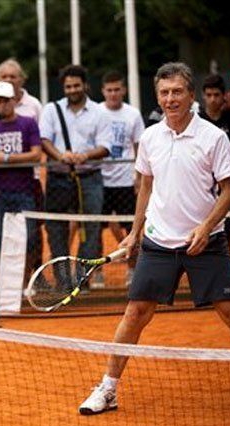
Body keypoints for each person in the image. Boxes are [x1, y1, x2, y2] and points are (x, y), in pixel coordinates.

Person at [79, 62, 230, 416]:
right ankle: (108, 388)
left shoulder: (213, 137)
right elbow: (146, 185)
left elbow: (229, 191)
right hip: (159, 242)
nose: (170, 99)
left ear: (191, 95)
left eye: (177, 92)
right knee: (135, 313)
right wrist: (135, 232)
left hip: (206, 242)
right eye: (164, 93)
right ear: (157, 96)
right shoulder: (151, 137)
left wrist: (205, 227)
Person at [39, 65, 111, 286]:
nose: (72, 90)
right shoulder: (51, 110)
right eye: (68, 86)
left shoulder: (99, 112)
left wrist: (84, 156)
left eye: (76, 85)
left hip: (90, 178)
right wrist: (60, 156)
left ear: (85, 85)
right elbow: (44, 140)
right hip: (58, 178)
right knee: (56, 230)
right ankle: (63, 281)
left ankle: (82, 280)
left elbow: (106, 146)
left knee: (90, 229)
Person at [0, 58, 44, 293]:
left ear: (14, 100)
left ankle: (27, 281)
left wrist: (5, 158)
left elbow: (36, 154)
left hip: (25, 188)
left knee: (30, 237)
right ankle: (3, 282)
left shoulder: (28, 122)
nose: (3, 104)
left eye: (6, 100)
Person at [94, 71, 145, 288]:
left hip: (125, 181)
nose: (113, 94)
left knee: (132, 229)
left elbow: (139, 146)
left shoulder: (133, 114)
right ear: (103, 91)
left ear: (123, 90)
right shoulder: (95, 112)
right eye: (109, 90)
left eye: (117, 89)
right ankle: (97, 272)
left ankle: (133, 271)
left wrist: (139, 178)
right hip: (100, 180)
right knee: (95, 230)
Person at [198, 74, 230, 286]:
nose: (212, 99)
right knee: (211, 229)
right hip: (205, 185)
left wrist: (222, 153)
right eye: (209, 95)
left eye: (216, 95)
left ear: (223, 96)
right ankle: (210, 275)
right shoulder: (198, 120)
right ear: (203, 96)